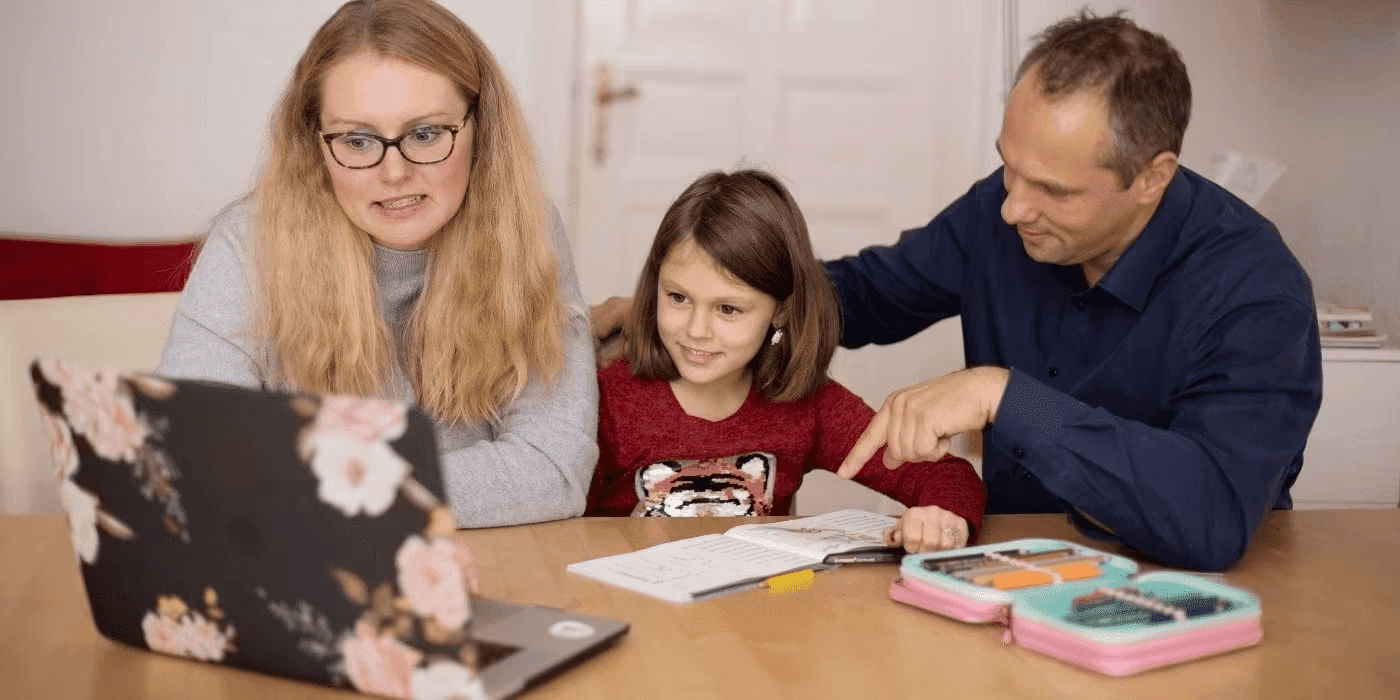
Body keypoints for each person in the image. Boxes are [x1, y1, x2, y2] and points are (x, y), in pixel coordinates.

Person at [593, 11, 1322, 570]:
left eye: (1053, 190)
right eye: (1009, 167)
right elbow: (864, 294)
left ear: (1152, 178)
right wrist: (725, 299)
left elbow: (1213, 517)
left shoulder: (1256, 293)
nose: (1011, 208)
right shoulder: (1002, 214)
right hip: (1001, 567)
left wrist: (1008, 396)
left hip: (1175, 585)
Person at [159, 0, 598, 528]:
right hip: (307, 570)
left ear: (480, 128)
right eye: (358, 140)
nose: (395, 172)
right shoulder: (248, 243)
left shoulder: (528, 227)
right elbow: (190, 457)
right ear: (314, 143)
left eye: (425, 134)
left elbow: (553, 469)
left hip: (489, 558)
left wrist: (305, 483)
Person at [587, 169, 986, 552]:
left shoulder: (807, 405)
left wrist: (940, 516)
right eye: (678, 298)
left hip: (757, 614)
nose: (696, 330)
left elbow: (947, 474)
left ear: (780, 311)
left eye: (728, 309)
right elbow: (559, 527)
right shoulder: (609, 403)